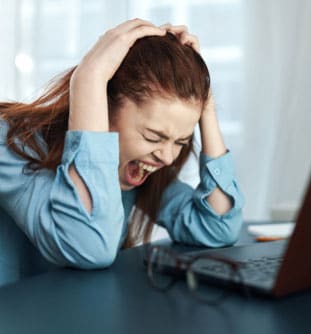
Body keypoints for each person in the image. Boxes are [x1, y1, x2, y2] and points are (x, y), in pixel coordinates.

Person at [0, 19, 244, 287]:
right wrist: (89, 78)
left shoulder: (133, 169)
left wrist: (204, 104)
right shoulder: (9, 141)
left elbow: (219, 228)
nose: (167, 157)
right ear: (102, 105)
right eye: (153, 137)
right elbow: (90, 247)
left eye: (181, 142)